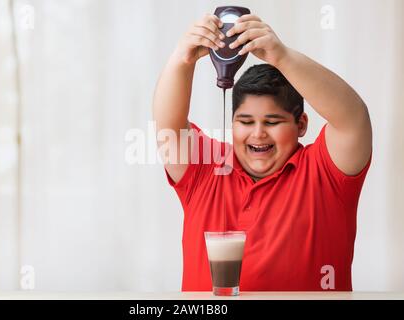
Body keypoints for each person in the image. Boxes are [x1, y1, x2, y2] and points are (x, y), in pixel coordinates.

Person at [152, 12, 372, 291]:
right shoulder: (208, 168)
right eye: (245, 122)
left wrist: (281, 56)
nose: (257, 133)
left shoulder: (323, 173)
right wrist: (181, 60)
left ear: (301, 124)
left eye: (272, 122)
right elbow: (168, 130)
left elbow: (353, 119)